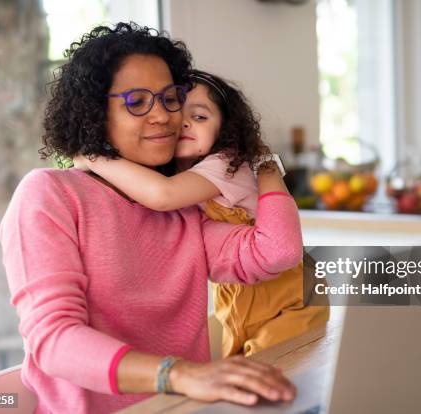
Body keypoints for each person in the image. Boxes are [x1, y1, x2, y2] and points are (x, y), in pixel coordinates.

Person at [0, 23, 300, 414]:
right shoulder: (50, 194)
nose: (163, 116)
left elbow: (276, 252)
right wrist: (179, 375)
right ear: (95, 113)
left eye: (169, 98)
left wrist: (264, 162)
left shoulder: (184, 207)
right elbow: (54, 341)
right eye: (137, 102)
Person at [74, 69, 329, 358]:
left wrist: (94, 157)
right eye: (177, 114)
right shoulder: (190, 174)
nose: (183, 123)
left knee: (267, 384)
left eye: (199, 117)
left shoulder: (225, 163)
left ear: (225, 130)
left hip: (288, 301)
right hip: (241, 301)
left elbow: (163, 195)